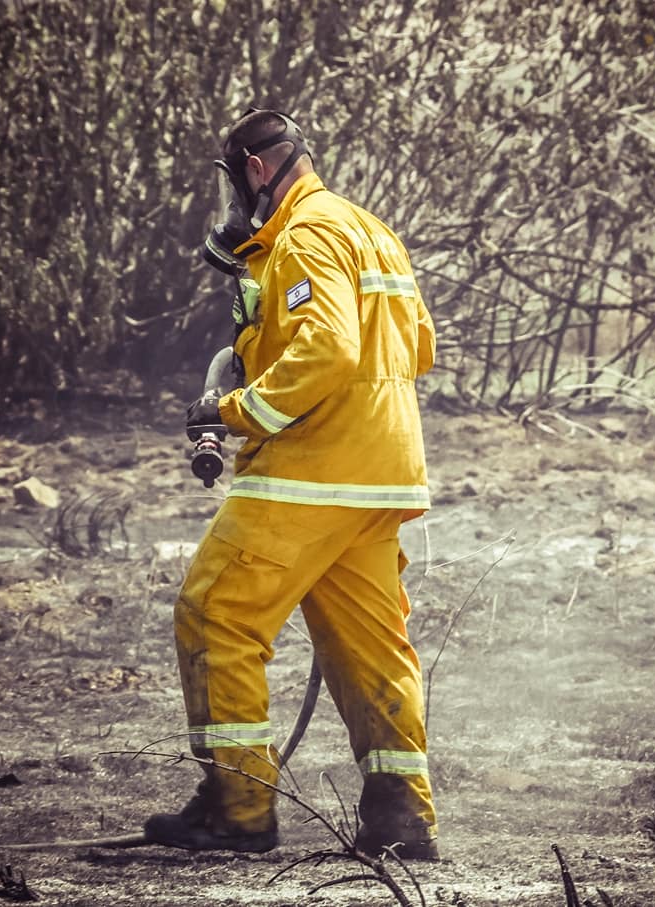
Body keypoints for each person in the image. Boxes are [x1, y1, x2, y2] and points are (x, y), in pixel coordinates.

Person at [144, 109, 440, 860]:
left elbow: (330, 349)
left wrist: (236, 411)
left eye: (234, 187)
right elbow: (420, 347)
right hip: (381, 476)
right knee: (370, 647)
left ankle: (238, 807)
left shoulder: (304, 234)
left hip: (310, 470)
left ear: (253, 170)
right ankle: (402, 817)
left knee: (215, 614)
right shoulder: (370, 229)